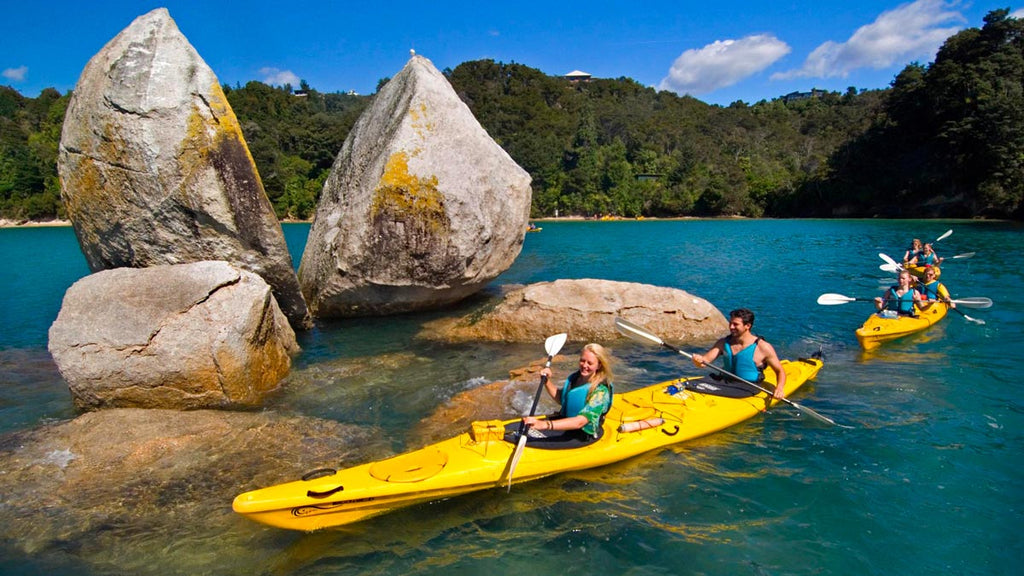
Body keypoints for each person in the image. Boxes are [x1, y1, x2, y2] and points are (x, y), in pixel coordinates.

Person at [690, 308, 787, 400]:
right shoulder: (723, 342)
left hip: (748, 386)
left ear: (747, 326)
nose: (731, 327)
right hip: (725, 381)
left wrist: (779, 388)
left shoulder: (763, 347)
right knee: (689, 384)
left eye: (735, 324)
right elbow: (704, 362)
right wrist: (698, 360)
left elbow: (780, 371)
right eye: (730, 323)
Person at [522, 343, 613, 439]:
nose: (584, 365)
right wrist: (546, 381)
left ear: (599, 365)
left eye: (589, 363)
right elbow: (562, 399)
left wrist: (545, 425)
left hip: (582, 434)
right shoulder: (576, 378)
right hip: (566, 424)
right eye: (582, 361)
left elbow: (580, 422)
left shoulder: (601, 391)